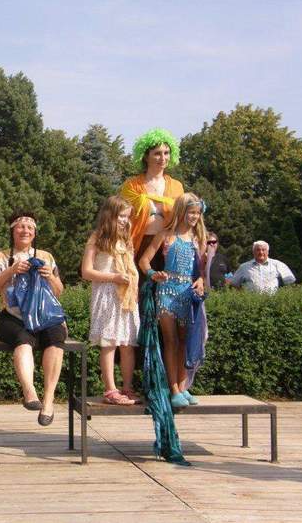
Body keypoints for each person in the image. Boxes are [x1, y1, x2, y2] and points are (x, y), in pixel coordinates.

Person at [0, 210, 66, 426]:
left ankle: (48, 400)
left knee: (56, 338)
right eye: (21, 226)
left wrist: (50, 277)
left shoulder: (46, 257)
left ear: (35, 232)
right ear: (12, 231)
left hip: (44, 315)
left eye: (30, 227)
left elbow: (59, 291)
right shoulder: (1, 256)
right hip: (13, 316)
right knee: (22, 340)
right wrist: (10, 271)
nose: (25, 230)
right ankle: (29, 392)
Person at [139, 193, 207, 408]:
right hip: (166, 292)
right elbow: (144, 261)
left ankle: (183, 386)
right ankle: (173, 389)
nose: (195, 216)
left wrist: (200, 281)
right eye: (191, 212)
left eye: (197, 213)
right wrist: (153, 274)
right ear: (181, 211)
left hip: (188, 293)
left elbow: (200, 271)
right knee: (170, 340)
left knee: (185, 341)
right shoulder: (165, 235)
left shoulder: (199, 238)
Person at [81, 196, 140, 405]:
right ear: (110, 215)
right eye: (121, 216)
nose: (125, 220)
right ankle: (110, 390)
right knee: (110, 342)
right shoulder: (97, 238)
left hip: (126, 296)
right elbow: (86, 271)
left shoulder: (126, 239)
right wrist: (114, 277)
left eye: (127, 217)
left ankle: (127, 387)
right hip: (106, 294)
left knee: (127, 343)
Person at [120, 128, 185, 274]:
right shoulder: (132, 186)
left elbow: (182, 219)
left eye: (166, 153)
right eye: (157, 153)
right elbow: (121, 216)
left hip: (168, 246)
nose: (163, 158)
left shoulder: (177, 186)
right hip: (138, 244)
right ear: (145, 156)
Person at [228, 241, 296, 294]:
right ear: (253, 252)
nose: (261, 252)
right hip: (250, 303)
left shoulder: (277, 264)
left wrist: (283, 296)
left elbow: (290, 281)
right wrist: (242, 295)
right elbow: (234, 284)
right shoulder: (244, 267)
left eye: (263, 250)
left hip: (273, 302)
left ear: (267, 252)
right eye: (258, 250)